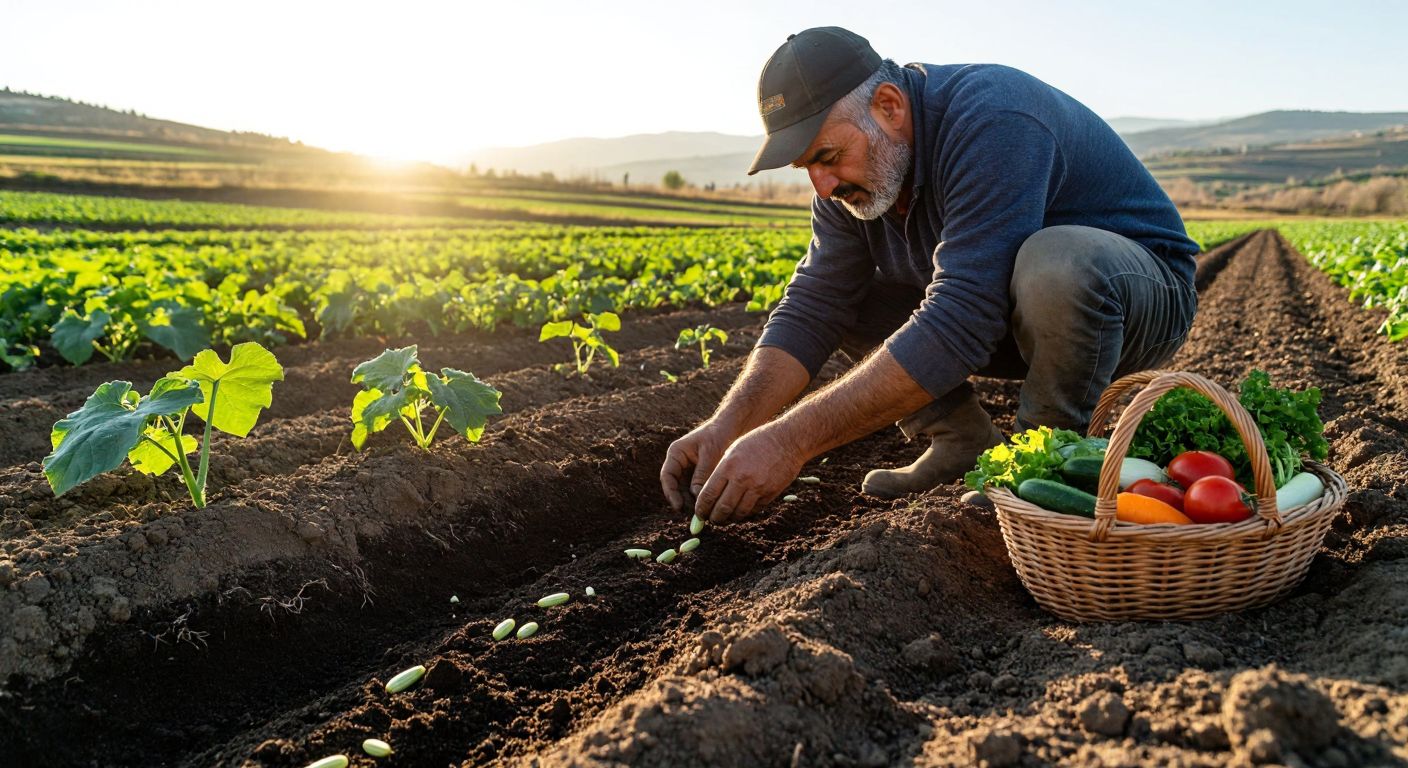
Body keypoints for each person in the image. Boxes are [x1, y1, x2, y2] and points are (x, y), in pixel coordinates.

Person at [660, 26, 1199, 523]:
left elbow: (964, 315)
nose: (823, 186)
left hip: (1134, 300)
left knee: (1056, 262)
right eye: (809, 167)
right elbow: (813, 304)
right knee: (845, 297)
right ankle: (958, 440)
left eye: (828, 156)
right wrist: (728, 426)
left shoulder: (993, 118)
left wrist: (787, 442)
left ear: (889, 106)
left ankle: (1045, 461)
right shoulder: (847, 181)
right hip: (1015, 318)